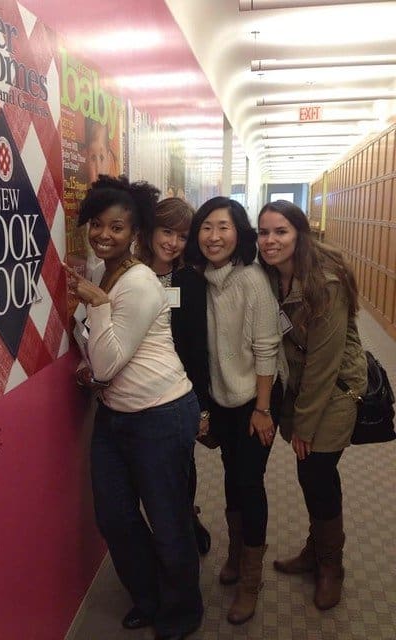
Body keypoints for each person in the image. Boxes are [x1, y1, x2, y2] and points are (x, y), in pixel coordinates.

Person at [65, 175, 203, 640]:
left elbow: (108, 361)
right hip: (116, 413)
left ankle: (182, 612)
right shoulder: (98, 268)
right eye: (98, 224)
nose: (105, 234)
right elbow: (97, 356)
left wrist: (100, 308)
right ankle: (149, 597)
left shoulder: (140, 282)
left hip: (162, 413)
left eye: (118, 227)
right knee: (115, 517)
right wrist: (88, 365)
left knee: (167, 520)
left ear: (135, 231)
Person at [257, 199, 367, 611]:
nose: (271, 240)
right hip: (300, 385)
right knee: (310, 474)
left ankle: (330, 567)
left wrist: (303, 424)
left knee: (319, 473)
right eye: (264, 232)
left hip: (335, 388)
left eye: (281, 232)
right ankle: (315, 549)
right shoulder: (270, 276)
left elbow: (324, 362)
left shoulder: (327, 282)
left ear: (299, 234)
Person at [185, 196, 285, 625]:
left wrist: (262, 410)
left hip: (257, 398)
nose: (214, 236)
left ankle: (250, 578)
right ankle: (234, 552)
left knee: (249, 481)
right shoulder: (203, 279)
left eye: (223, 226)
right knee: (231, 477)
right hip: (224, 398)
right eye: (206, 227)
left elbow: (267, 347)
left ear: (238, 232)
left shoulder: (252, 280)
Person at [136, 196, 211, 555]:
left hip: (178, 393)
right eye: (167, 232)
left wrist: (202, 407)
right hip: (135, 390)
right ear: (150, 230)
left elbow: (198, 348)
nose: (172, 243)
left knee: (182, 468)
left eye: (182, 236)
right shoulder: (130, 273)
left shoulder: (191, 281)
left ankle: (186, 519)